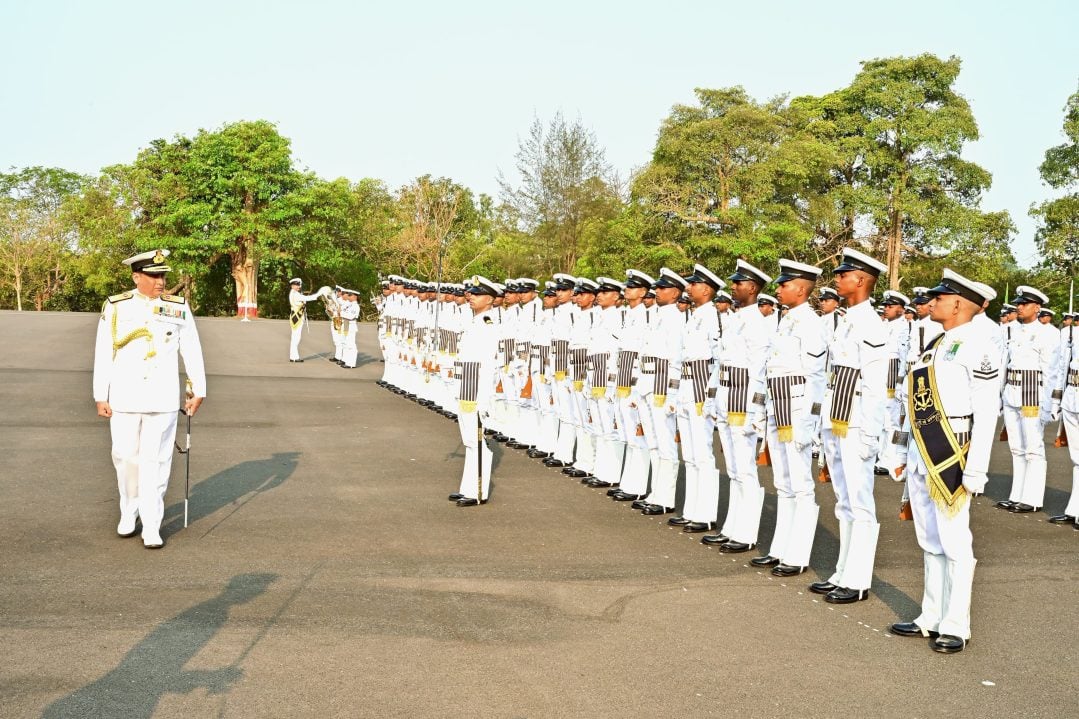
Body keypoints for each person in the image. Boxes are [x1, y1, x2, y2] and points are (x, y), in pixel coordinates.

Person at [890, 269, 1000, 654]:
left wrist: (977, 467)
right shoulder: (935, 344)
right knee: (929, 538)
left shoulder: (978, 345)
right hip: (922, 449)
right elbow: (913, 404)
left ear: (957, 304)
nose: (931, 302)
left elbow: (986, 411)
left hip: (953, 449)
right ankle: (931, 615)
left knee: (954, 539)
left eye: (939, 298)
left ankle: (956, 624)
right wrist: (900, 451)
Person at [93, 249, 207, 549]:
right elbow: (104, 351)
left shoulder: (177, 306)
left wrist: (198, 388)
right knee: (125, 457)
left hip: (162, 396)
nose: (161, 281)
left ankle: (152, 523)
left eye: (163, 275)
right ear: (136, 277)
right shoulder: (116, 306)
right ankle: (129, 510)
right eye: (154, 276)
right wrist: (100, 394)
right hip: (124, 396)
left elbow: (191, 348)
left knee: (157, 461)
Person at [810, 248, 888, 604]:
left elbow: (874, 384)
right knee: (843, 500)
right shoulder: (845, 320)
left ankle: (858, 580)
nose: (837, 280)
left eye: (843, 275)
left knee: (859, 501)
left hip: (856, 422)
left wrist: (870, 434)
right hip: (836, 417)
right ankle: (843, 570)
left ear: (860, 280)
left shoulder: (870, 323)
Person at [752, 259, 828, 575]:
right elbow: (770, 368)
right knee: (782, 482)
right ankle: (780, 548)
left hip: (796, 410)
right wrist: (760, 409)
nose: (778, 290)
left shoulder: (811, 323)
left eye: (784, 285)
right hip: (777, 407)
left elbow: (816, 377)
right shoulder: (784, 321)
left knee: (800, 483)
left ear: (800, 288)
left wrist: (809, 422)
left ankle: (797, 555)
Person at [997, 285, 1060, 513]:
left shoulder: (1048, 333)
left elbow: (1051, 371)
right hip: (1012, 391)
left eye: (1025, 304)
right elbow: (1004, 364)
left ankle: (1032, 499)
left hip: (1032, 392)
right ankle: (1016, 495)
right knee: (1016, 447)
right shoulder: (1011, 329)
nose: (1020, 307)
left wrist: (1050, 404)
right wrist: (1000, 395)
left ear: (1037, 307)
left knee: (1033, 447)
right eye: (1019, 304)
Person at [450, 276, 502, 507]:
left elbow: (488, 365)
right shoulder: (474, 321)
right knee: (469, 439)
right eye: (471, 293)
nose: (471, 297)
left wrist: (484, 398)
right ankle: (467, 487)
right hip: (466, 385)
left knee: (477, 441)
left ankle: (478, 492)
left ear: (490, 299)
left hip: (477, 389)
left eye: (478, 294)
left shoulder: (488, 324)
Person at [1051, 310, 1079, 525]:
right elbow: (1062, 367)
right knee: (1076, 459)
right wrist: (1056, 400)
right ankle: (1074, 509)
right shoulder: (1072, 334)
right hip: (1071, 397)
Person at [287, 278, 324, 363]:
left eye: (299, 285)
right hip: (297, 318)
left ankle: (293, 357)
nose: (298, 287)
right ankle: (294, 357)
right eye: (297, 285)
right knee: (296, 338)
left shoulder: (294, 293)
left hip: (296, 317)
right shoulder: (296, 294)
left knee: (295, 338)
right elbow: (307, 298)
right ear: (292, 286)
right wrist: (318, 294)